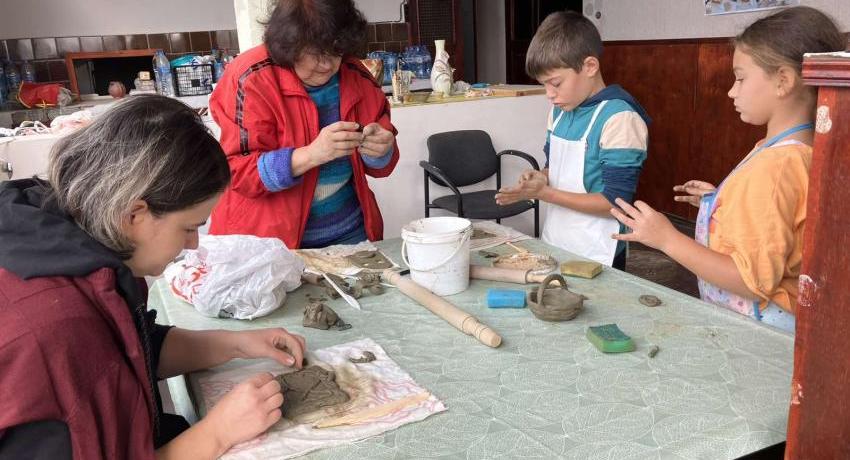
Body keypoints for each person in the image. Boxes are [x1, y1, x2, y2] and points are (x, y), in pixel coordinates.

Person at [0, 95, 307, 459]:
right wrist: (216, 434)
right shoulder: (54, 330)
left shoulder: (51, 229)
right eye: (189, 227)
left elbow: (127, 348)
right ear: (134, 214)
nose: (193, 244)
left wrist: (238, 343)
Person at [609, 6, 845, 332]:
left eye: (740, 78)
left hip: (758, 332)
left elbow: (750, 282)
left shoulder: (776, 167)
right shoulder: (795, 149)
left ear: (783, 81)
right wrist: (721, 200)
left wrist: (667, 239)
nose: (732, 90)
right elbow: (782, 218)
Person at [208, 0, 399, 249]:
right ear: (289, 45)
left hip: (349, 233)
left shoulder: (357, 75)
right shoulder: (250, 78)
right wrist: (310, 155)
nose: (328, 64)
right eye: (317, 54)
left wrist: (381, 151)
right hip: (270, 242)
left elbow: (382, 164)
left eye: (336, 51)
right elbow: (236, 172)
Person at [495, 10, 651, 269]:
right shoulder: (559, 112)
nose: (549, 94)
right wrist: (540, 178)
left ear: (590, 66)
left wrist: (545, 193)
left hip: (599, 248)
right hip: (558, 237)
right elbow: (554, 166)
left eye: (555, 83)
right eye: (544, 85)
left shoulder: (619, 118)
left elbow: (615, 203)